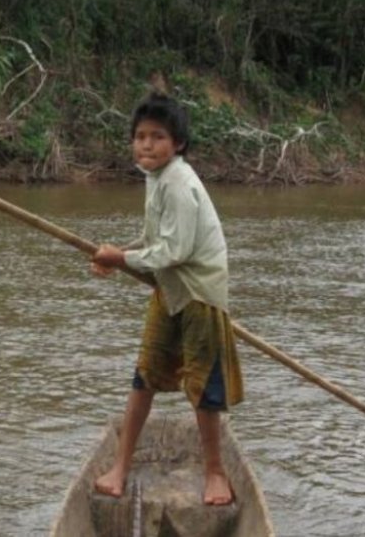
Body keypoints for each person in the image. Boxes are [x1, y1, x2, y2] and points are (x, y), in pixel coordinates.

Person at [90, 92, 243, 506]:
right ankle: (120, 466)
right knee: (145, 376)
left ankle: (214, 472)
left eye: (157, 137)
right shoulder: (154, 179)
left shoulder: (179, 183)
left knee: (203, 386)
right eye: (139, 136)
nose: (146, 145)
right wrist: (120, 257)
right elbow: (155, 241)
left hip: (198, 295)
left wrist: (122, 257)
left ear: (177, 145)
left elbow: (175, 251)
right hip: (169, 290)